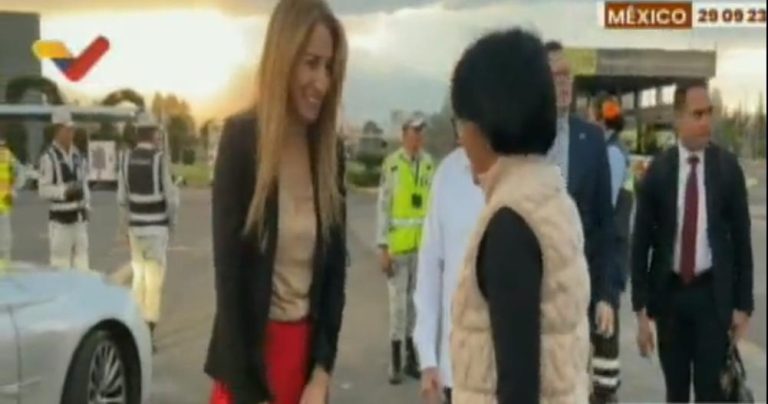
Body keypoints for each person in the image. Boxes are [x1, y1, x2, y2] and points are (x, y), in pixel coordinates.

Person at [204, 0, 348, 403]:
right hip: (248, 370)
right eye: (311, 63)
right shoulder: (241, 141)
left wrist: (321, 374)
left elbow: (335, 275)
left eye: (329, 67)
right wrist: (251, 393)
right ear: (282, 57)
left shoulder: (330, 153)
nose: (321, 82)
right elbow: (229, 281)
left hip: (305, 372)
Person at [449, 28, 591, 404]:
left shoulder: (510, 223)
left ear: (483, 125)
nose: (460, 140)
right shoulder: (552, 197)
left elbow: (518, 387)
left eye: (460, 124)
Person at [632, 80, 753, 402]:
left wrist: (743, 306)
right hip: (670, 298)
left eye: (709, 113)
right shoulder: (658, 172)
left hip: (711, 298)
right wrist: (640, 312)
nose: (706, 122)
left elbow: (742, 241)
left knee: (710, 392)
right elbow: (640, 243)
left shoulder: (727, 170)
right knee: (676, 392)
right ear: (678, 118)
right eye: (697, 114)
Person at [544, 40, 620, 385]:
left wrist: (606, 295)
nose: (564, 84)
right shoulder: (521, 139)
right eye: (556, 76)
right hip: (532, 289)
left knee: (574, 384)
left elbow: (606, 226)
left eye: (568, 76)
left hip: (578, 290)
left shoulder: (592, 140)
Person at [413, 129, 484, 404]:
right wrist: (427, 358)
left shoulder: (521, 174)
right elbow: (430, 268)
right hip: (456, 369)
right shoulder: (448, 175)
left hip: (509, 375)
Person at [376, 113, 435, 384]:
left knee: (415, 306)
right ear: (404, 135)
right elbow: (383, 207)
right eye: (414, 132)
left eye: (421, 132)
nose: (418, 137)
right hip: (398, 249)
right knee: (397, 307)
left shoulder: (429, 164)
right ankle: (395, 362)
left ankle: (412, 359)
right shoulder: (392, 165)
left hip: (422, 249)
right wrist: (382, 246)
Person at [117, 111, 179, 352]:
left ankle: (134, 329)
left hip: (136, 228)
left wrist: (125, 227)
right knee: (153, 282)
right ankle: (147, 334)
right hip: (156, 228)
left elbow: (122, 198)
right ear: (153, 133)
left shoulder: (126, 160)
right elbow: (171, 197)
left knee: (139, 278)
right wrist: (172, 223)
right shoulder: (159, 159)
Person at [588, 94, 634, 403]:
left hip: (610, 258)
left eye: (591, 117)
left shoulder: (612, 154)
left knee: (605, 331)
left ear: (601, 120)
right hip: (608, 255)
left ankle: (605, 395)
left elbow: (604, 208)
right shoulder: (611, 151)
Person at [38, 108, 90, 271]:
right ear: (58, 130)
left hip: (79, 220)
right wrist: (64, 191)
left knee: (82, 264)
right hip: (60, 223)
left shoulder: (78, 155)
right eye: (67, 130)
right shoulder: (48, 158)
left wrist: (87, 205)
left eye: (72, 129)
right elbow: (43, 190)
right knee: (60, 266)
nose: (71, 133)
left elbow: (84, 183)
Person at [0, 128, 26, 270]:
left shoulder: (5, 155)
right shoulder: (6, 155)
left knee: (4, 243)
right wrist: (14, 189)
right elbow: (20, 172)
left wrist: (13, 189)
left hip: (3, 204)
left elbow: (20, 172)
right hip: (3, 204)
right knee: (4, 243)